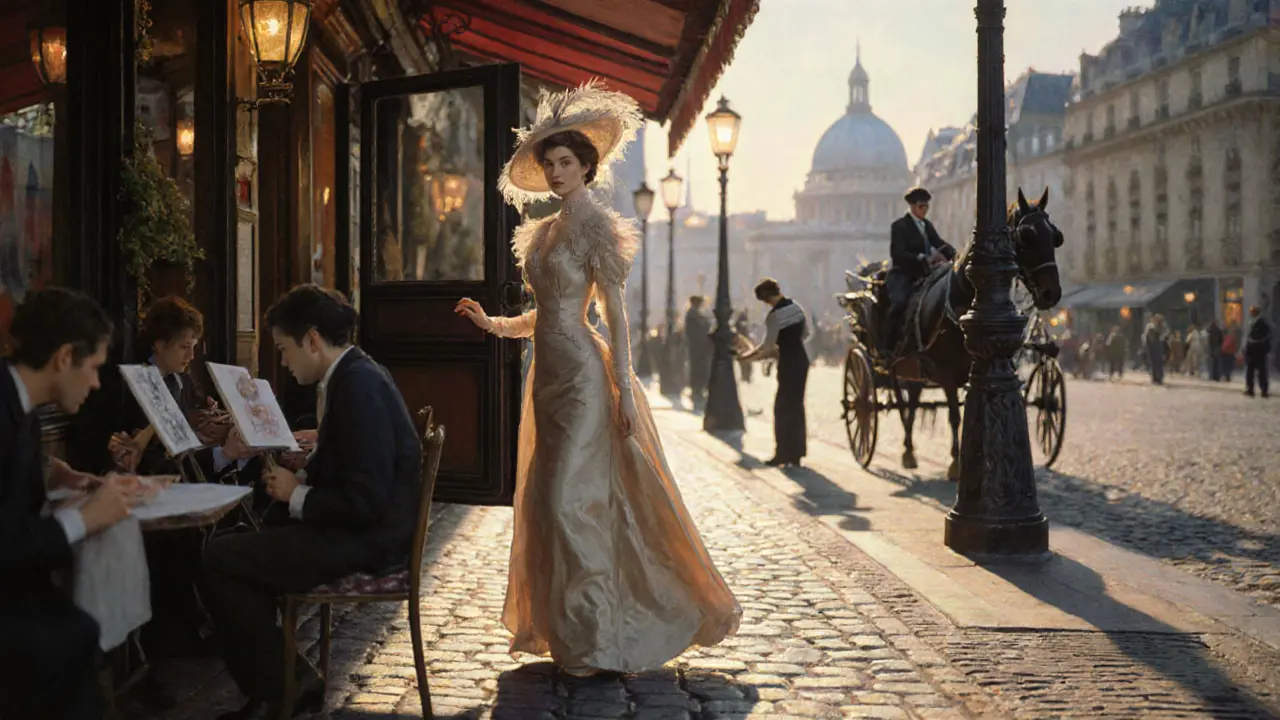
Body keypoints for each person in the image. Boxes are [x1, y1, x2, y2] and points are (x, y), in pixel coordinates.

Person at [454, 81, 740, 676]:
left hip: (586, 376)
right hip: (548, 378)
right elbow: (546, 313)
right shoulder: (545, 232)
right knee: (543, 499)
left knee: (567, 501)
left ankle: (597, 637)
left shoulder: (598, 228)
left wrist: (625, 387)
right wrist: (493, 323)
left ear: (587, 167)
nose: (556, 172)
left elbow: (611, 313)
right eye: (550, 163)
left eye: (567, 163)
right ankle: (572, 634)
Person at [203, 285, 422, 720]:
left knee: (217, 557)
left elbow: (366, 501)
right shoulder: (356, 375)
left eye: (285, 349)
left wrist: (295, 492)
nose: (283, 362)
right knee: (241, 544)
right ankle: (280, 685)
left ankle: (287, 687)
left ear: (313, 340)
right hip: (362, 532)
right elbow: (358, 464)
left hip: (369, 542)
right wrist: (310, 463)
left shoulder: (357, 386)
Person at [0, 287, 132, 719]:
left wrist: (59, 478)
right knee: (75, 635)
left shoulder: (22, 408)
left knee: (82, 629)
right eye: (93, 367)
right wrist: (86, 518)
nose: (96, 382)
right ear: (63, 358)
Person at [738, 278, 811, 467]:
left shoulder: (774, 316)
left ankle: (783, 452)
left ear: (766, 296)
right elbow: (807, 334)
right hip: (801, 359)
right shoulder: (796, 307)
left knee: (782, 408)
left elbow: (767, 346)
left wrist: (747, 357)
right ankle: (797, 453)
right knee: (796, 406)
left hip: (787, 362)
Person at [885, 187, 956, 353]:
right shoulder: (899, 226)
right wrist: (920, 257)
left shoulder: (926, 225)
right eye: (921, 207)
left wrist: (955, 254)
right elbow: (898, 254)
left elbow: (939, 243)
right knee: (899, 304)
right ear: (912, 207)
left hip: (924, 273)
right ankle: (888, 346)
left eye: (926, 207)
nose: (924, 210)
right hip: (904, 274)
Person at [684, 295, 712, 405]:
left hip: (698, 347)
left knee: (699, 370)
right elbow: (699, 331)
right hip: (697, 348)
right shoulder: (693, 315)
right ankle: (697, 392)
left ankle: (698, 391)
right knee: (698, 370)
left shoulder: (694, 314)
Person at [1244, 305, 1271, 398]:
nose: (1251, 313)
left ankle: (1264, 390)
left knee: (1262, 372)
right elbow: (1248, 337)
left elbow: (1266, 336)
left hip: (1259, 350)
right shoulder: (1251, 322)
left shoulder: (1262, 323)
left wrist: (1263, 346)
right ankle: (1250, 389)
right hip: (1251, 350)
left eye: (1253, 311)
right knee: (1250, 371)